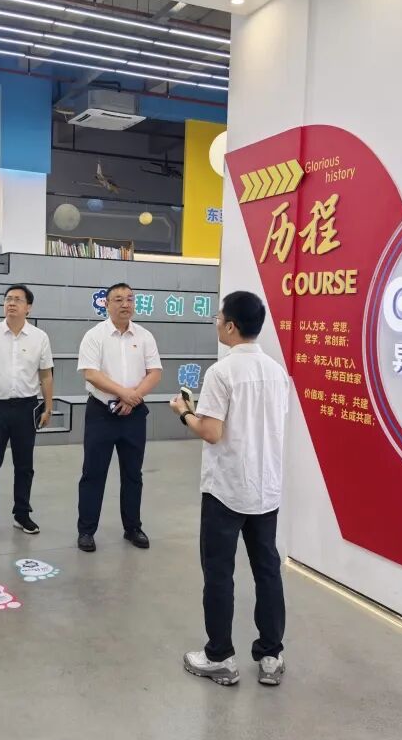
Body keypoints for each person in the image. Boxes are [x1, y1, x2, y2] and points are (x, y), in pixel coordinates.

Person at [170, 291, 289, 687]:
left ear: (232, 326)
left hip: (226, 490)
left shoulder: (222, 373)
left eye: (219, 318)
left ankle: (219, 655)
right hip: (265, 488)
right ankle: (271, 654)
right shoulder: (276, 372)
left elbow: (211, 431)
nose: (216, 323)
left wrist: (184, 412)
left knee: (219, 573)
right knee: (267, 570)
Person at [75, 283, 162, 552]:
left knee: (133, 474)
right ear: (107, 304)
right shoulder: (94, 336)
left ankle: (133, 527)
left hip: (133, 415)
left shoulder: (145, 336)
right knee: (93, 473)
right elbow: (91, 373)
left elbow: (155, 372)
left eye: (130, 299)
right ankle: (86, 531)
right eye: (118, 299)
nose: (125, 304)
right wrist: (124, 393)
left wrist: (133, 398)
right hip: (101, 414)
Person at [0, 284, 54, 538]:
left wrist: (48, 406)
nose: (12, 303)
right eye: (8, 299)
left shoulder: (39, 337)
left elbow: (45, 375)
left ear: (29, 307)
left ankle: (22, 514)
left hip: (26, 408)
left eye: (18, 299)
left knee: (24, 465)